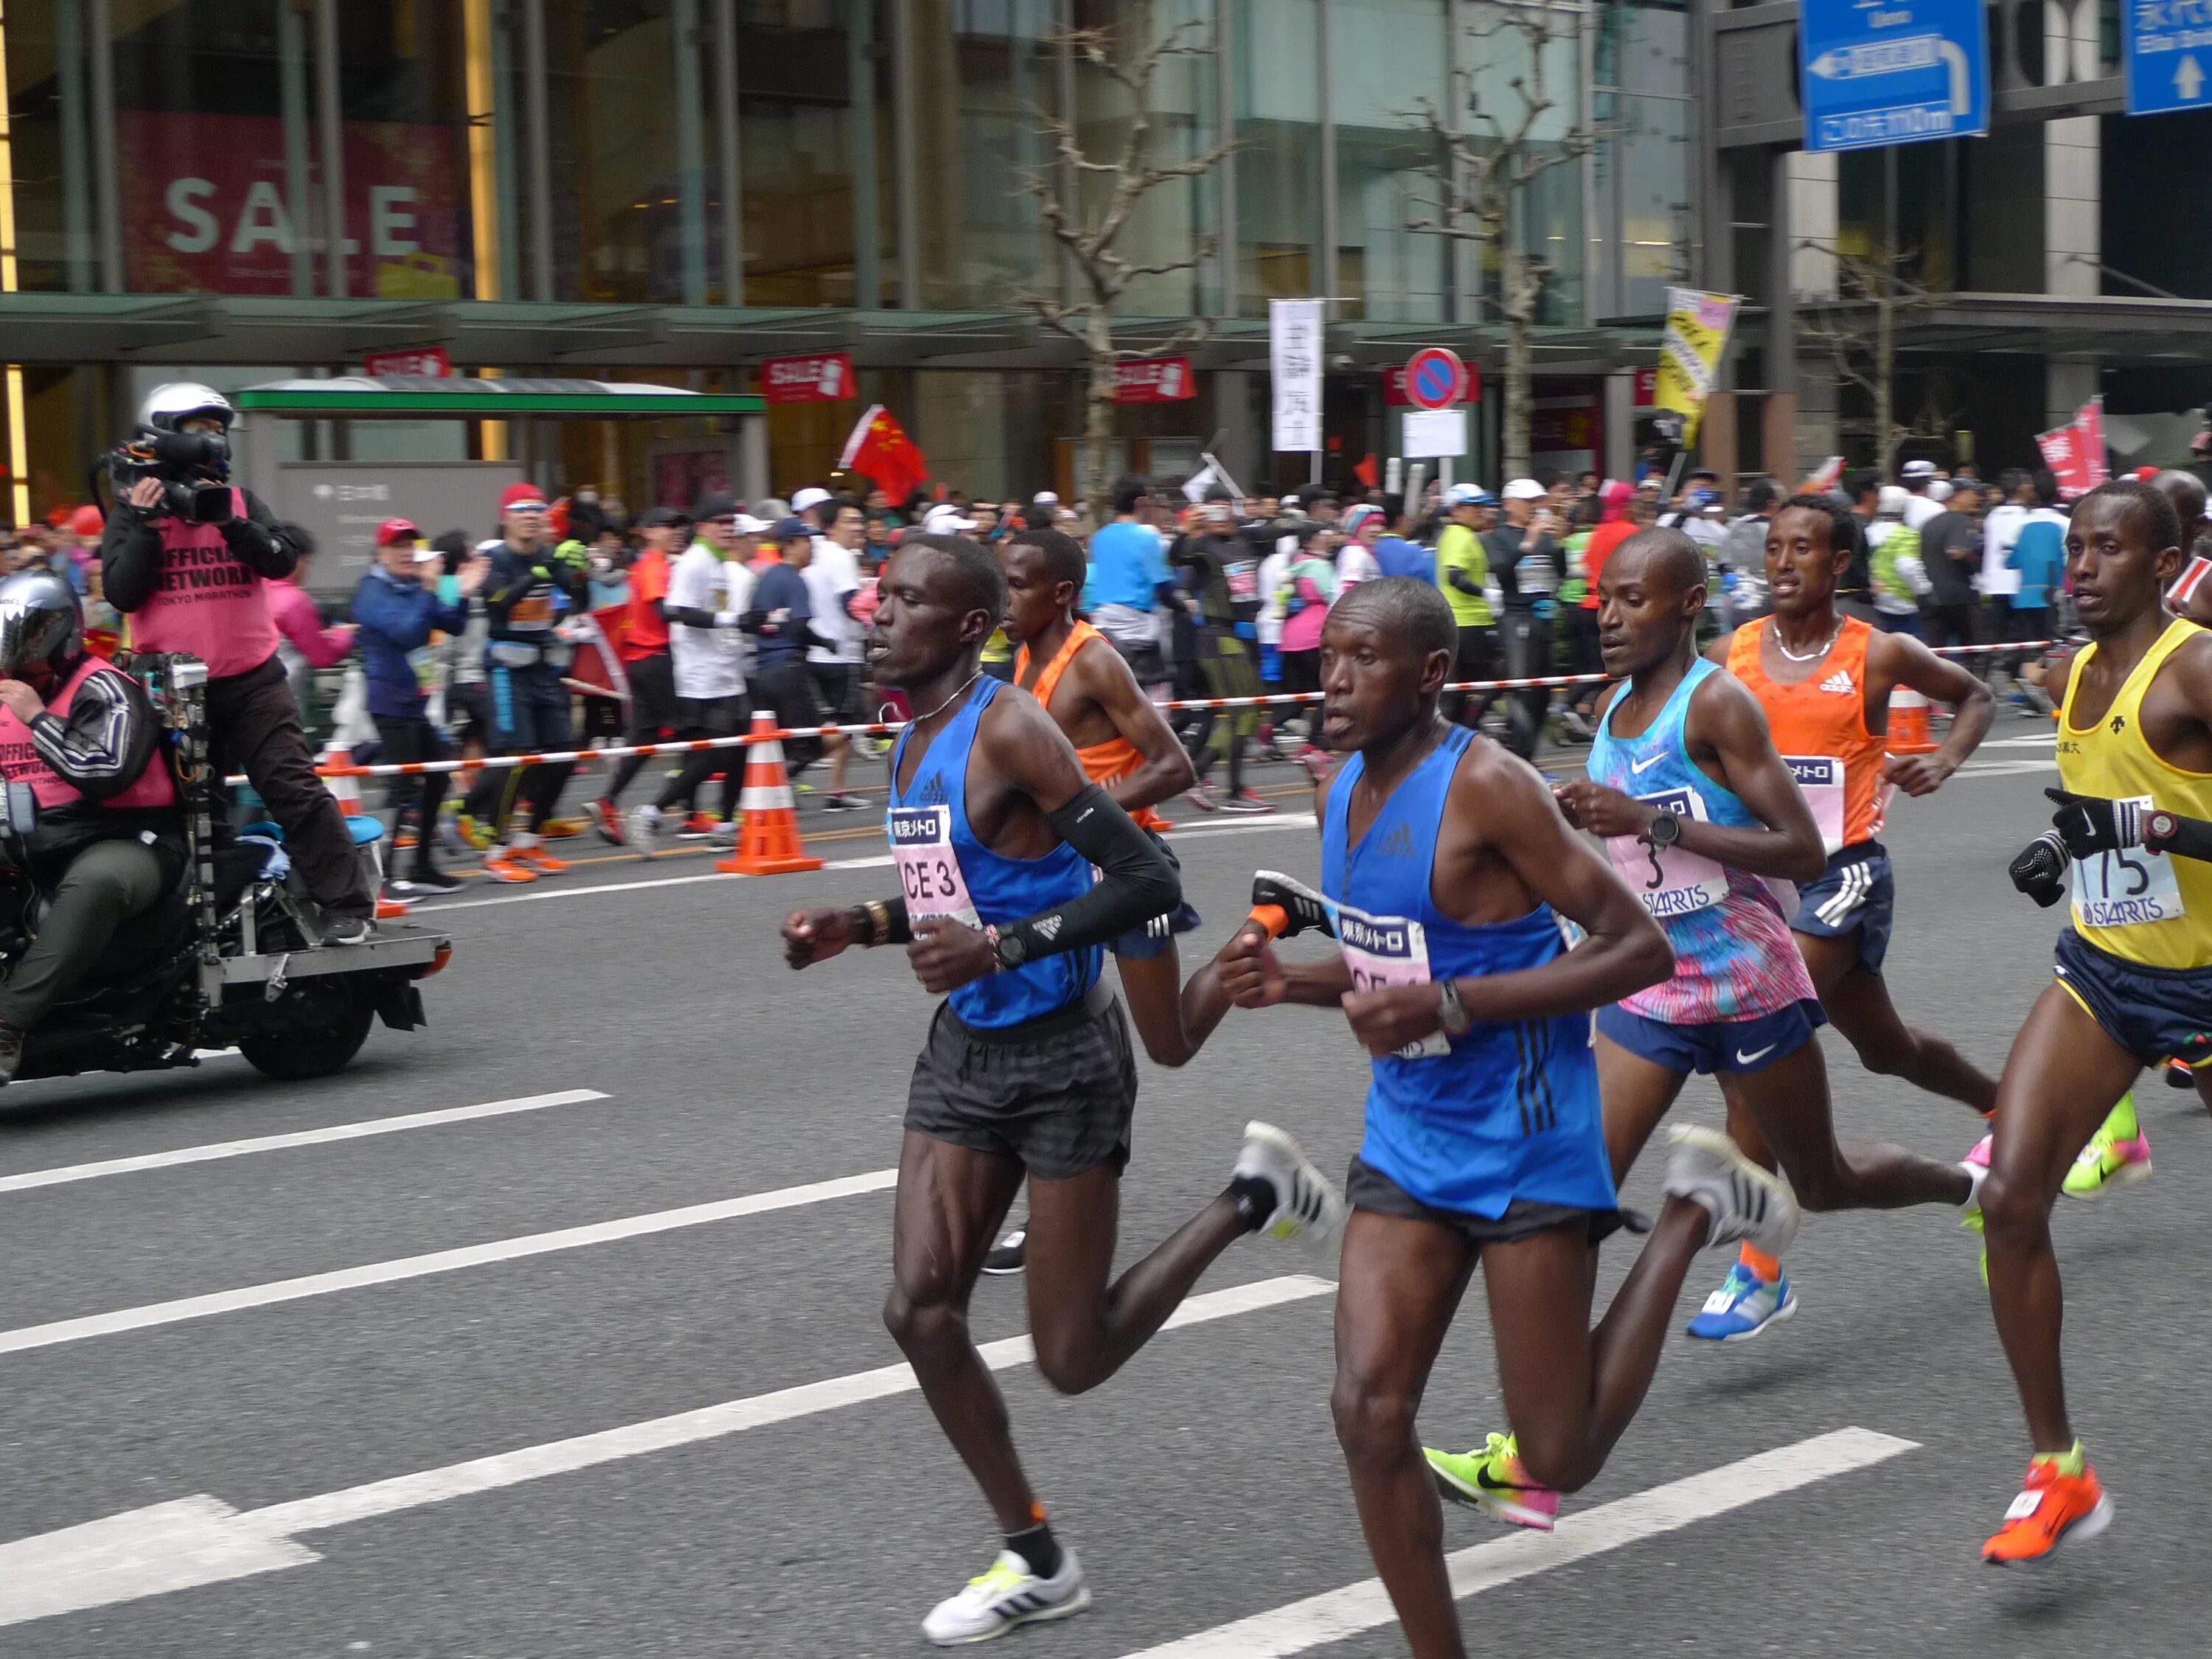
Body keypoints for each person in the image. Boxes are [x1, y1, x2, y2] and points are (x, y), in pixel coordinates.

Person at [1211, 577, 1798, 1659]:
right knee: (1368, 1414)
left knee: (1558, 1453)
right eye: (1327, 655)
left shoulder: (1490, 785)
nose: (1331, 679)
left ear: (1431, 673)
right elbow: (1397, 947)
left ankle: (1687, 1211)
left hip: (1528, 1132)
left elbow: (1636, 948)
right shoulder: (1337, 784)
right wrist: (1294, 981)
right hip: (1409, 1133)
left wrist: (1451, 1005)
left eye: (1362, 659)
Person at [779, 532, 1344, 1645]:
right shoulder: (911, 733)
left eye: (902, 600)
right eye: (878, 594)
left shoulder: (1012, 726)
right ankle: (1036, 1553)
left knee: (1071, 1358)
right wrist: (863, 923)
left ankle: (1251, 1196)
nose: (874, 613)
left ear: (969, 627)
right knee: (919, 1308)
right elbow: (960, 890)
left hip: (1062, 1058)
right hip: (966, 1050)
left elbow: (1144, 873)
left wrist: (1001, 950)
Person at [1975, 478, 2212, 1564]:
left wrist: (2158, 822)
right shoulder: (2068, 674)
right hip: (2108, 973)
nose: (2079, 565)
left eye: (2106, 548)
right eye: (2073, 546)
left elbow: (2150, 808)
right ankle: (2057, 1471)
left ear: (2162, 564)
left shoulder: (2197, 668)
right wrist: (2069, 847)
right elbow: (2102, 803)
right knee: (2010, 1194)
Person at [1697, 493, 1998, 1309]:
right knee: (1884, 1046)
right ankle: (2004, 1107)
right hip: (1766, 881)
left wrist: (1942, 759)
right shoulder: (1731, 654)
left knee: (1759, 1024)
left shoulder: (1877, 653)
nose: (1784, 561)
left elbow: (1976, 696)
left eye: (1803, 548)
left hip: (1844, 872)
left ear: (1838, 565)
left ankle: (1759, 1269)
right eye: (1773, 548)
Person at [981, 526, 1205, 1276]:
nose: (1002, 597)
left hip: (1126, 874)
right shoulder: (1023, 656)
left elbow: (1175, 764)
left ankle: (1253, 944)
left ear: (1061, 594)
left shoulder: (1095, 662)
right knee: (1036, 1038)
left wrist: (1093, 809)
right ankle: (1042, 1211)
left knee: (1168, 1045)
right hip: (1065, 880)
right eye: (999, 581)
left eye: (1016, 585)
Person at [97, 382, 373, 943]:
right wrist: (147, 527)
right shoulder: (132, 511)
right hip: (173, 692)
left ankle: (346, 904)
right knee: (196, 811)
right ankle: (211, 920)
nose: (212, 439)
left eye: (218, 429)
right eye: (199, 428)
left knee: (292, 787)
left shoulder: (241, 501)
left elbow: (280, 561)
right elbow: (122, 593)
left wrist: (229, 521)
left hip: (252, 679)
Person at [0, 571, 187, 1079]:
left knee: (96, 883)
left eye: (32, 660)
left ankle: (8, 1026)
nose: (20, 672)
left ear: (61, 640)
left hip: (127, 839)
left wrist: (39, 718)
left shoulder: (107, 688)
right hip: (34, 840)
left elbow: (106, 772)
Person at [350, 518, 484, 898]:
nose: (407, 552)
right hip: (389, 703)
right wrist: (430, 588)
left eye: (411, 544)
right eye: (397, 546)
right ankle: (388, 878)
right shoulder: (372, 591)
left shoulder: (415, 585)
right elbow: (408, 632)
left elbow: (453, 624)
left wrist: (459, 589)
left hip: (416, 704)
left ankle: (422, 865)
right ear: (381, 552)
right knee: (404, 789)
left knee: (439, 777)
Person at [465, 483, 582, 883]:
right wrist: (538, 573)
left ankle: (530, 839)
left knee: (564, 755)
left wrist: (574, 569)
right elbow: (498, 601)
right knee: (513, 759)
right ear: (505, 518)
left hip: (544, 668)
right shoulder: (491, 557)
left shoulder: (549, 554)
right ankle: (496, 849)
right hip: (505, 670)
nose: (531, 516)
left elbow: (576, 599)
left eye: (538, 509)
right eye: (521, 510)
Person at [629, 498, 758, 850]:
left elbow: (717, 613)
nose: (729, 528)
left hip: (724, 669)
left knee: (741, 748)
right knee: (714, 755)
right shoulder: (694, 563)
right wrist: (732, 621)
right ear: (700, 527)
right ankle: (651, 811)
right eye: (720, 522)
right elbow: (676, 611)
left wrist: (752, 626)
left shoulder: (718, 563)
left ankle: (725, 823)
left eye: (732, 522)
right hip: (700, 675)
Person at [745, 518, 860, 810]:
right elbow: (799, 625)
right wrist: (825, 642)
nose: (812, 547)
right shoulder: (794, 579)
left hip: (764, 669)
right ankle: (763, 793)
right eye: (806, 541)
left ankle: (770, 792)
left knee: (781, 741)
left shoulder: (768, 577)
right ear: (790, 544)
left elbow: (754, 621)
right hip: (789, 668)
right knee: (809, 743)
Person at [589, 505, 686, 844]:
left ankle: (607, 801)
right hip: (656, 658)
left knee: (643, 741)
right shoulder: (655, 566)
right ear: (646, 531)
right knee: (696, 732)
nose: (675, 532)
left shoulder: (646, 565)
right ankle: (688, 812)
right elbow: (664, 611)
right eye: (666, 526)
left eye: (677, 526)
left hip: (641, 660)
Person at [1172, 500, 1268, 811]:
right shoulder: (1203, 546)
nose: (1219, 516)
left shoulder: (1243, 540)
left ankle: (1199, 777)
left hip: (1247, 637)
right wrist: (1188, 530)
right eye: (1211, 510)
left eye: (1223, 508)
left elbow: (1281, 530)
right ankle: (1234, 790)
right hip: (1220, 638)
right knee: (1242, 715)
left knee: (1248, 715)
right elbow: (1176, 556)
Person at [1485, 479, 1565, 759]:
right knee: (1522, 691)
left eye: (1537, 501)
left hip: (1545, 619)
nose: (1534, 507)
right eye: (1528, 501)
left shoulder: (1546, 535)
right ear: (1509, 504)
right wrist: (1527, 544)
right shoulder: (1497, 537)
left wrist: (1561, 542)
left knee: (1543, 694)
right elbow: (1502, 575)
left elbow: (1560, 573)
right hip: (1516, 619)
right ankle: (1516, 760)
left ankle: (1528, 761)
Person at [263, 527, 355, 726]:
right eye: (307, 561)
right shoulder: (294, 600)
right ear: (294, 559)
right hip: (286, 699)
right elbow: (322, 655)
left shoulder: (257, 591)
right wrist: (343, 635)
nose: (307, 569)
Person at [1435, 484, 1497, 730]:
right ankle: (1461, 732)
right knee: (1493, 681)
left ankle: (1459, 733)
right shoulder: (1460, 536)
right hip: (1468, 623)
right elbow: (1455, 576)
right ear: (1458, 510)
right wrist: (1486, 593)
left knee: (1462, 688)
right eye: (1476, 507)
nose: (1482, 512)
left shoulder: (1459, 535)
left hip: (1466, 622)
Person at [1918, 478, 1984, 650]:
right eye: (1973, 494)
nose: (1978, 498)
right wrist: (1975, 566)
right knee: (1972, 651)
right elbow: (1955, 551)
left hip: (1930, 597)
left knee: (1935, 653)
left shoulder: (1929, 524)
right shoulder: (1960, 521)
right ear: (1957, 496)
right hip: (1958, 598)